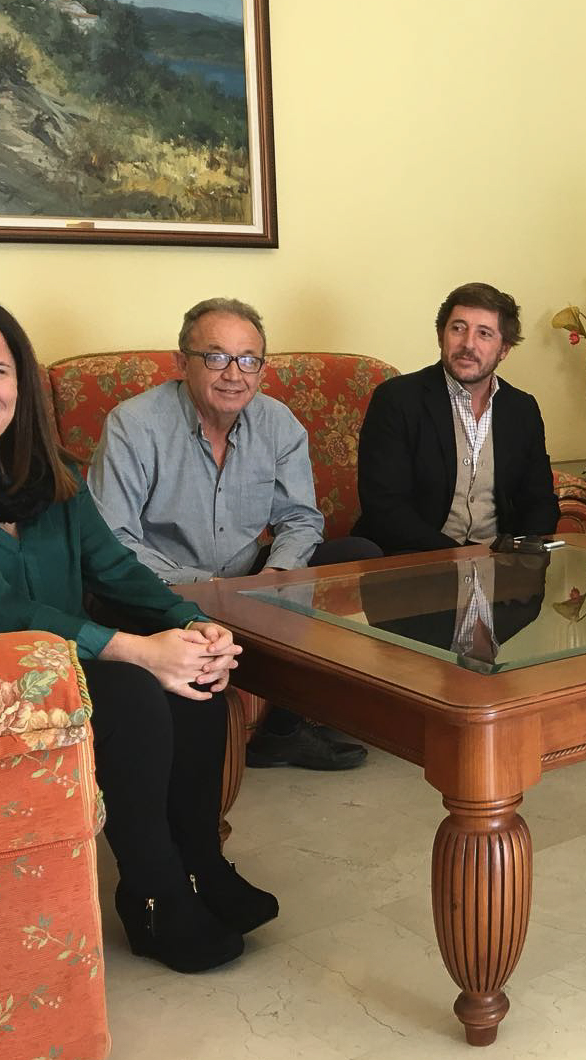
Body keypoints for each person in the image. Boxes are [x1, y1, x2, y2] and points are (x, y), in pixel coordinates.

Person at [0, 294, 277, 974]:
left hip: (49, 660)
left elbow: (113, 567)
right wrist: (141, 649)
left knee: (195, 681)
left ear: (21, 384)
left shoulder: (46, 470)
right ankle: (153, 895)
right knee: (129, 690)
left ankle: (201, 866)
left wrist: (190, 625)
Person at [88, 298, 375, 772]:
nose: (233, 374)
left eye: (248, 360)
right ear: (182, 363)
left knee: (356, 555)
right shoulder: (134, 424)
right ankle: (192, 766)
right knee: (171, 625)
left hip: (249, 577)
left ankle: (282, 731)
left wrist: (278, 575)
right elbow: (112, 539)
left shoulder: (278, 423)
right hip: (156, 587)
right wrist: (208, 589)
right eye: (216, 357)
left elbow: (301, 519)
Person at [353, 283, 560, 553]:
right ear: (441, 336)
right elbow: (384, 506)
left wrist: (523, 555)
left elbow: (539, 501)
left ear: (504, 349)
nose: (468, 344)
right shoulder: (397, 400)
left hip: (501, 569)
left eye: (484, 334)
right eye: (458, 328)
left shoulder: (521, 409)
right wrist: (457, 557)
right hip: (413, 563)